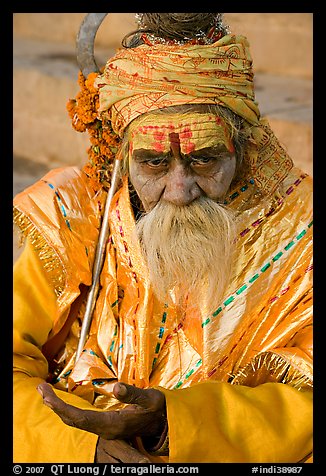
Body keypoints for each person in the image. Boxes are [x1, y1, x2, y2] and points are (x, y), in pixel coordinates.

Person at [13, 13, 313, 464]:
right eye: (153, 163)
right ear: (121, 156)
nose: (179, 190)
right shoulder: (76, 213)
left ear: (244, 149)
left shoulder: (301, 232)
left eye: (205, 160)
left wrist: (178, 424)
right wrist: (82, 448)